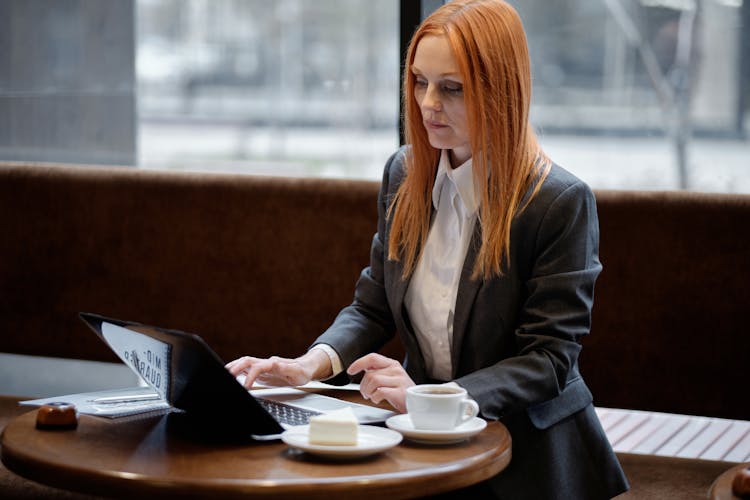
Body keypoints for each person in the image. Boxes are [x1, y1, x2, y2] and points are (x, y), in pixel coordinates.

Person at [226, 1, 629, 498]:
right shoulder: (405, 173)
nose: (428, 102)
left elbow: (548, 360)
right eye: (419, 81)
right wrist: (307, 367)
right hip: (427, 441)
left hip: (531, 459)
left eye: (451, 88)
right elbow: (372, 305)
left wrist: (428, 398)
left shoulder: (557, 202)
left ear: (501, 91)